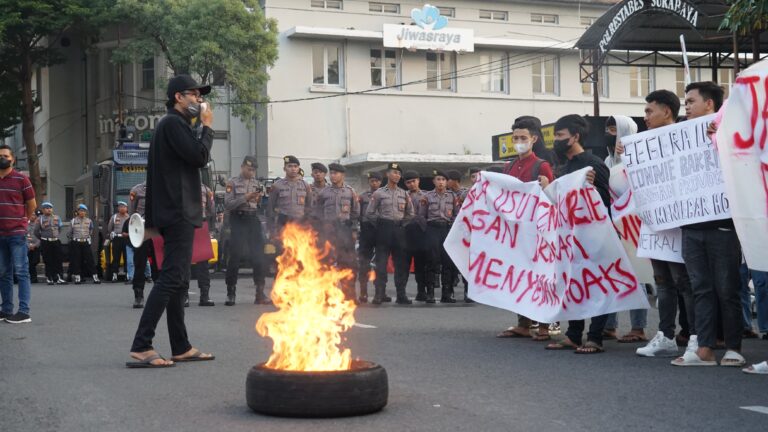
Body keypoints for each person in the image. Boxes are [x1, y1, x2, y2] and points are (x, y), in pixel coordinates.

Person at [127, 74, 216, 368]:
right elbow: (199, 156)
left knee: (178, 281)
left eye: (200, 96)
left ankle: (181, 346)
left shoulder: (173, 126)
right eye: (194, 95)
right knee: (170, 279)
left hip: (175, 212)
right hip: (177, 212)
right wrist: (207, 126)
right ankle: (142, 346)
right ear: (178, 96)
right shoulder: (173, 124)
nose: (199, 100)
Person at [614, 91, 695, 359]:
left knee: (683, 282)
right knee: (662, 282)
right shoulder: (642, 143)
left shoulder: (685, 136)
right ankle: (666, 335)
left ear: (667, 112)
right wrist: (626, 157)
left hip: (678, 223)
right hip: (652, 224)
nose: (645, 117)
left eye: (650, 111)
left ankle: (695, 336)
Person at [669, 82, 744, 367]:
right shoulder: (677, 136)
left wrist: (723, 138)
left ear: (710, 104)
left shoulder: (730, 133)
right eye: (685, 101)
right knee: (701, 288)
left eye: (691, 101)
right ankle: (705, 348)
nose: (686, 106)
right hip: (692, 227)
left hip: (723, 226)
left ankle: (734, 348)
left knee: (727, 288)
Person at [542, 114, 610, 354]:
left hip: (595, 239)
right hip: (571, 238)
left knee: (597, 285)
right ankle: (573, 334)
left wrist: (592, 188)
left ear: (575, 136)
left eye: (561, 136)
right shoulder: (565, 167)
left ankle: (595, 337)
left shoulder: (594, 164)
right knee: (573, 283)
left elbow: (608, 202)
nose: (557, 140)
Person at [495, 117, 555, 341]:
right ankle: (523, 323)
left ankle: (544, 325)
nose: (519, 142)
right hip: (514, 233)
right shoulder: (508, 166)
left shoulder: (542, 165)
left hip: (536, 231)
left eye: (523, 138)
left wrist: (545, 186)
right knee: (519, 277)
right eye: (516, 138)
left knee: (541, 276)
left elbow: (550, 198)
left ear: (534, 139)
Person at [602, 115, 649, 344]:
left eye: (615, 130)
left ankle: (638, 327)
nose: (611, 135)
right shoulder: (607, 161)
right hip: (612, 225)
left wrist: (629, 156)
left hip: (634, 225)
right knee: (611, 275)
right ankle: (609, 325)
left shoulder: (642, 156)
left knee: (637, 276)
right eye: (609, 130)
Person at [365, 163, 414, 305]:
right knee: (381, 263)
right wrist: (381, 224)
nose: (397, 175)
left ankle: (401, 295)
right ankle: (379, 294)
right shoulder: (379, 193)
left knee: (401, 264)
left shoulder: (404, 194)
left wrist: (401, 224)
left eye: (399, 173)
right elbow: (369, 213)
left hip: (398, 230)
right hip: (383, 229)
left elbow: (410, 213)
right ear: (387, 174)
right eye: (394, 172)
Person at [224, 155, 268, 306]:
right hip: (238, 219)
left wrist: (258, 198)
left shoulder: (257, 183)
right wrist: (246, 197)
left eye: (253, 170)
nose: (251, 172)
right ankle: (231, 291)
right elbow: (228, 204)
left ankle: (259, 292)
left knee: (259, 256)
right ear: (242, 167)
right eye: (249, 169)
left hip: (252, 219)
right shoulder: (233, 183)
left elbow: (260, 204)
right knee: (235, 255)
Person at [0, 144, 36, 324]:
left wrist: (24, 222)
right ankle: (6, 309)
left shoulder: (22, 180)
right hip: (0, 234)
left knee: (22, 271)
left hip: (16, 233)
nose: (2, 158)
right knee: (3, 272)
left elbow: (32, 205)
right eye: (0, 155)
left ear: (13, 159)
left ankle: (24, 311)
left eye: (5, 155)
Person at [316, 163, 360, 301]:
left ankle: (350, 295)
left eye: (336, 173)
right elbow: (317, 212)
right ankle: (329, 295)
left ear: (343, 175)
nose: (333, 176)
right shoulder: (324, 192)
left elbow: (355, 213)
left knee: (348, 263)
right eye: (332, 173)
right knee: (327, 263)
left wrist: (353, 231)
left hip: (345, 230)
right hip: (329, 231)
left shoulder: (350, 192)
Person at [420, 170, 459, 303]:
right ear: (434, 181)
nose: (441, 182)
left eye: (443, 179)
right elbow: (421, 216)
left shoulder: (452, 196)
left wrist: (452, 227)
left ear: (446, 182)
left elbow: (456, 214)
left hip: (446, 229)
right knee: (432, 261)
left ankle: (446, 294)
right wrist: (427, 230)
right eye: (438, 179)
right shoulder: (427, 196)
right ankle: (430, 293)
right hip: (432, 229)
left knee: (447, 262)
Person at [266, 155, 311, 243]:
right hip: (283, 222)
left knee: (300, 249)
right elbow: (270, 208)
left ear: (298, 168)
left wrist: (307, 224)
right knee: (282, 248)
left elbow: (309, 207)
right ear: (284, 169)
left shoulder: (305, 185)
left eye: (295, 166)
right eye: (289, 166)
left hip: (299, 222)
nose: (293, 169)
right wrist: (271, 229)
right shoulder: (277, 185)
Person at [187, 184, 216, 307]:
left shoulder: (205, 189)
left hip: (201, 224)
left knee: (203, 263)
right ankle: (183, 295)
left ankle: (205, 296)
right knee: (184, 262)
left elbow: (211, 210)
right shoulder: (180, 185)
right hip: (185, 224)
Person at [127, 181, 156, 308]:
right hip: (142, 230)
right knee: (140, 262)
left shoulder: (164, 186)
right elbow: (133, 213)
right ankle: (138, 295)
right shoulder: (137, 190)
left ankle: (159, 295)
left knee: (158, 263)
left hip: (157, 229)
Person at [403, 170, 428, 302]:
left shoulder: (426, 196)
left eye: (413, 181)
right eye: (408, 182)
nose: (411, 184)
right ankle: (402, 293)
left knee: (421, 264)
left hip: (421, 233)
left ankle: (421, 291)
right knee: (404, 265)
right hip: (405, 233)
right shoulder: (402, 195)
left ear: (418, 181)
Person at [357, 171, 382, 303]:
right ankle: (363, 291)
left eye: (377, 181)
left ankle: (379, 293)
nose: (374, 183)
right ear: (369, 182)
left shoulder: (385, 195)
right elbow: (357, 213)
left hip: (380, 230)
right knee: (364, 262)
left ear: (380, 182)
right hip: (366, 230)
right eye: (372, 181)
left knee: (379, 263)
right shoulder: (362, 197)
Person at [445, 169, 468, 302]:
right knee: (449, 262)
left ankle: (467, 290)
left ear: (454, 181)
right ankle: (449, 291)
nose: (445, 182)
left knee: (465, 261)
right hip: (449, 230)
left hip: (463, 232)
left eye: (448, 179)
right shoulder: (446, 195)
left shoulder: (466, 193)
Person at [34, 202, 67, 285]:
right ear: (43, 210)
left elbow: (59, 228)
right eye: (46, 208)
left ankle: (59, 277)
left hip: (55, 241)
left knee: (58, 259)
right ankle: (50, 277)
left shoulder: (57, 217)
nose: (49, 209)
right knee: (48, 260)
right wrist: (43, 238)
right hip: (46, 241)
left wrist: (55, 236)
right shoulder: (40, 219)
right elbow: (36, 231)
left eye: (50, 208)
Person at [68, 204, 100, 285]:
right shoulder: (73, 221)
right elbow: (69, 233)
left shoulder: (89, 221)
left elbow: (91, 230)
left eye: (84, 211)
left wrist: (87, 237)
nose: (82, 212)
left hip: (85, 242)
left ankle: (95, 276)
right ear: (78, 212)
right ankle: (77, 277)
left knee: (90, 260)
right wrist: (74, 238)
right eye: (80, 210)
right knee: (77, 260)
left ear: (86, 212)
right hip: (76, 242)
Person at [106, 201, 131, 282]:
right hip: (117, 239)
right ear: (118, 208)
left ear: (127, 208)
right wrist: (112, 233)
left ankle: (127, 274)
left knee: (127, 257)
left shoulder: (130, 217)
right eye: (120, 207)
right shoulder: (114, 217)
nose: (122, 208)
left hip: (127, 239)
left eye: (124, 207)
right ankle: (114, 274)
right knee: (116, 257)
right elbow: (110, 228)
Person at [27, 210, 41, 284]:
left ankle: (33, 277)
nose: (33, 216)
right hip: (28, 247)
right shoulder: (26, 224)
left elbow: (40, 237)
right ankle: (33, 278)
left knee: (34, 262)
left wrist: (35, 245)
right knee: (29, 262)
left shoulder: (38, 225)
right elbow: (24, 236)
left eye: (34, 215)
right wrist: (28, 245)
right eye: (31, 215)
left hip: (36, 247)